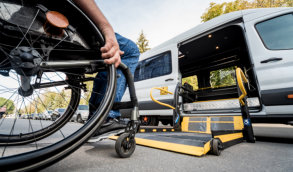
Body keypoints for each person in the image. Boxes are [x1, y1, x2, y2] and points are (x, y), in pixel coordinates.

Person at [73, 0, 140, 134]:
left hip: (51, 27)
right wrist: (107, 30)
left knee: (106, 61)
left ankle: (95, 118)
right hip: (75, 27)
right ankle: (106, 117)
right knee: (130, 51)